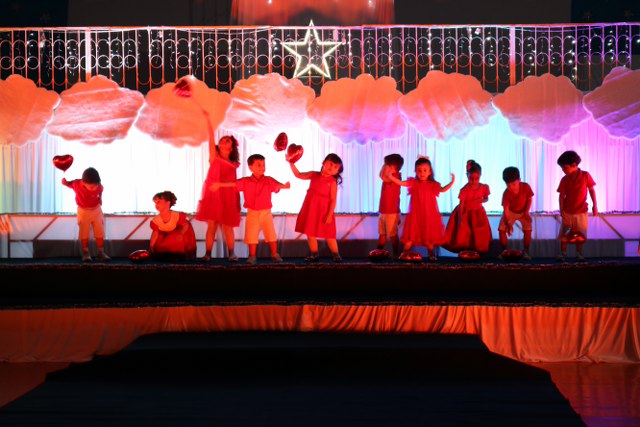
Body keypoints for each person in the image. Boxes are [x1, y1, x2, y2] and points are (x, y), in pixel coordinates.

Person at [211, 154, 290, 264]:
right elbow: (233, 184)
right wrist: (219, 185)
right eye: (259, 165)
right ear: (250, 167)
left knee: (271, 234)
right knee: (251, 235)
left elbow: (278, 185)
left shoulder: (268, 180)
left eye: (263, 165)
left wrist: (285, 186)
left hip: (266, 212)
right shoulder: (246, 181)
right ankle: (252, 256)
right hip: (252, 213)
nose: (262, 167)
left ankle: (274, 254)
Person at [386, 156, 454, 261]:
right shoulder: (414, 183)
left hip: (429, 216)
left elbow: (443, 189)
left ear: (430, 172)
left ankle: (431, 254)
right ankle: (403, 254)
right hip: (415, 216)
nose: (422, 173)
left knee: (429, 237)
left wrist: (452, 182)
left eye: (425, 170)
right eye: (419, 170)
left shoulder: (432, 185)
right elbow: (402, 183)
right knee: (410, 237)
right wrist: (390, 176)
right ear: (416, 171)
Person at [195, 114, 241, 262]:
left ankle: (232, 253)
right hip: (214, 195)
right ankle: (207, 254)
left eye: (227, 140)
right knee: (212, 225)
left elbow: (235, 183)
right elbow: (211, 137)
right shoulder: (214, 157)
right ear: (219, 145)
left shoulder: (234, 163)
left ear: (231, 147)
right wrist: (208, 120)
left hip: (228, 195)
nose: (224, 141)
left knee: (228, 227)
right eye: (222, 140)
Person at [290, 153, 344, 262]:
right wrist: (291, 163)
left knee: (329, 234)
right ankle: (314, 254)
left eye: (335, 167)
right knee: (310, 232)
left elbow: (333, 200)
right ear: (323, 163)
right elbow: (298, 174)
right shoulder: (314, 175)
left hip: (324, 211)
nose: (332, 168)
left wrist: (329, 215)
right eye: (330, 164)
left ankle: (336, 254)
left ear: (337, 172)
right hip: (311, 208)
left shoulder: (332, 182)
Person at [443, 160, 492, 255]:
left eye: (476, 178)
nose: (474, 181)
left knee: (478, 234)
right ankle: (465, 253)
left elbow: (486, 198)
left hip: (478, 213)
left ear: (480, 176)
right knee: (465, 234)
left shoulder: (483, 187)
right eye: (471, 178)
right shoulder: (465, 189)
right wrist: (460, 219)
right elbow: (461, 205)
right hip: (466, 213)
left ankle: (477, 253)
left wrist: (481, 200)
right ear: (467, 176)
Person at [61, 167, 110, 262]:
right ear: (83, 182)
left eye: (96, 186)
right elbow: (69, 183)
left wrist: (100, 199)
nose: (94, 188)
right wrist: (64, 182)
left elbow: (100, 191)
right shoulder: (77, 184)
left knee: (99, 230)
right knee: (84, 231)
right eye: (91, 187)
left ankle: (100, 252)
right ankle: (85, 252)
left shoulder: (99, 186)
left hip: (96, 210)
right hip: (83, 211)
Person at [556, 150, 598, 262]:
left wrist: (595, 205)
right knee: (564, 235)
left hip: (581, 212)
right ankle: (563, 254)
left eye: (565, 167)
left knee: (580, 235)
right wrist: (561, 210)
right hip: (568, 212)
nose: (563, 170)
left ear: (574, 165)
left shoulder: (585, 175)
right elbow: (561, 196)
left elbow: (592, 190)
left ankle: (579, 254)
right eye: (562, 168)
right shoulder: (564, 180)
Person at [497, 167, 534, 261]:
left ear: (519, 180)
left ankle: (526, 251)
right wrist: (509, 223)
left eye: (513, 184)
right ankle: (505, 251)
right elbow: (506, 210)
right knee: (501, 229)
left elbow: (529, 199)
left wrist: (526, 212)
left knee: (528, 229)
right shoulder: (506, 194)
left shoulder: (526, 187)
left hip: (523, 211)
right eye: (508, 185)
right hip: (510, 212)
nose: (511, 187)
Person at [149, 191, 197, 262]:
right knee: (160, 242)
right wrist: (151, 247)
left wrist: (181, 233)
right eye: (155, 203)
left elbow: (185, 225)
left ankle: (179, 255)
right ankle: (165, 255)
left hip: (177, 237)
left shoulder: (176, 216)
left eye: (159, 202)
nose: (156, 205)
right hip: (165, 239)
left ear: (168, 203)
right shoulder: (156, 220)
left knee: (175, 237)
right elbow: (155, 233)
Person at [376, 153, 404, 258]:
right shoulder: (388, 176)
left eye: (386, 165)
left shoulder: (395, 176)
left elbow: (382, 176)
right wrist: (386, 164)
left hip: (391, 212)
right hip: (383, 211)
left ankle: (396, 256)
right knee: (382, 236)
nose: (384, 167)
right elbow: (381, 175)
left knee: (392, 236)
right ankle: (377, 254)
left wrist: (386, 166)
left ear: (392, 167)